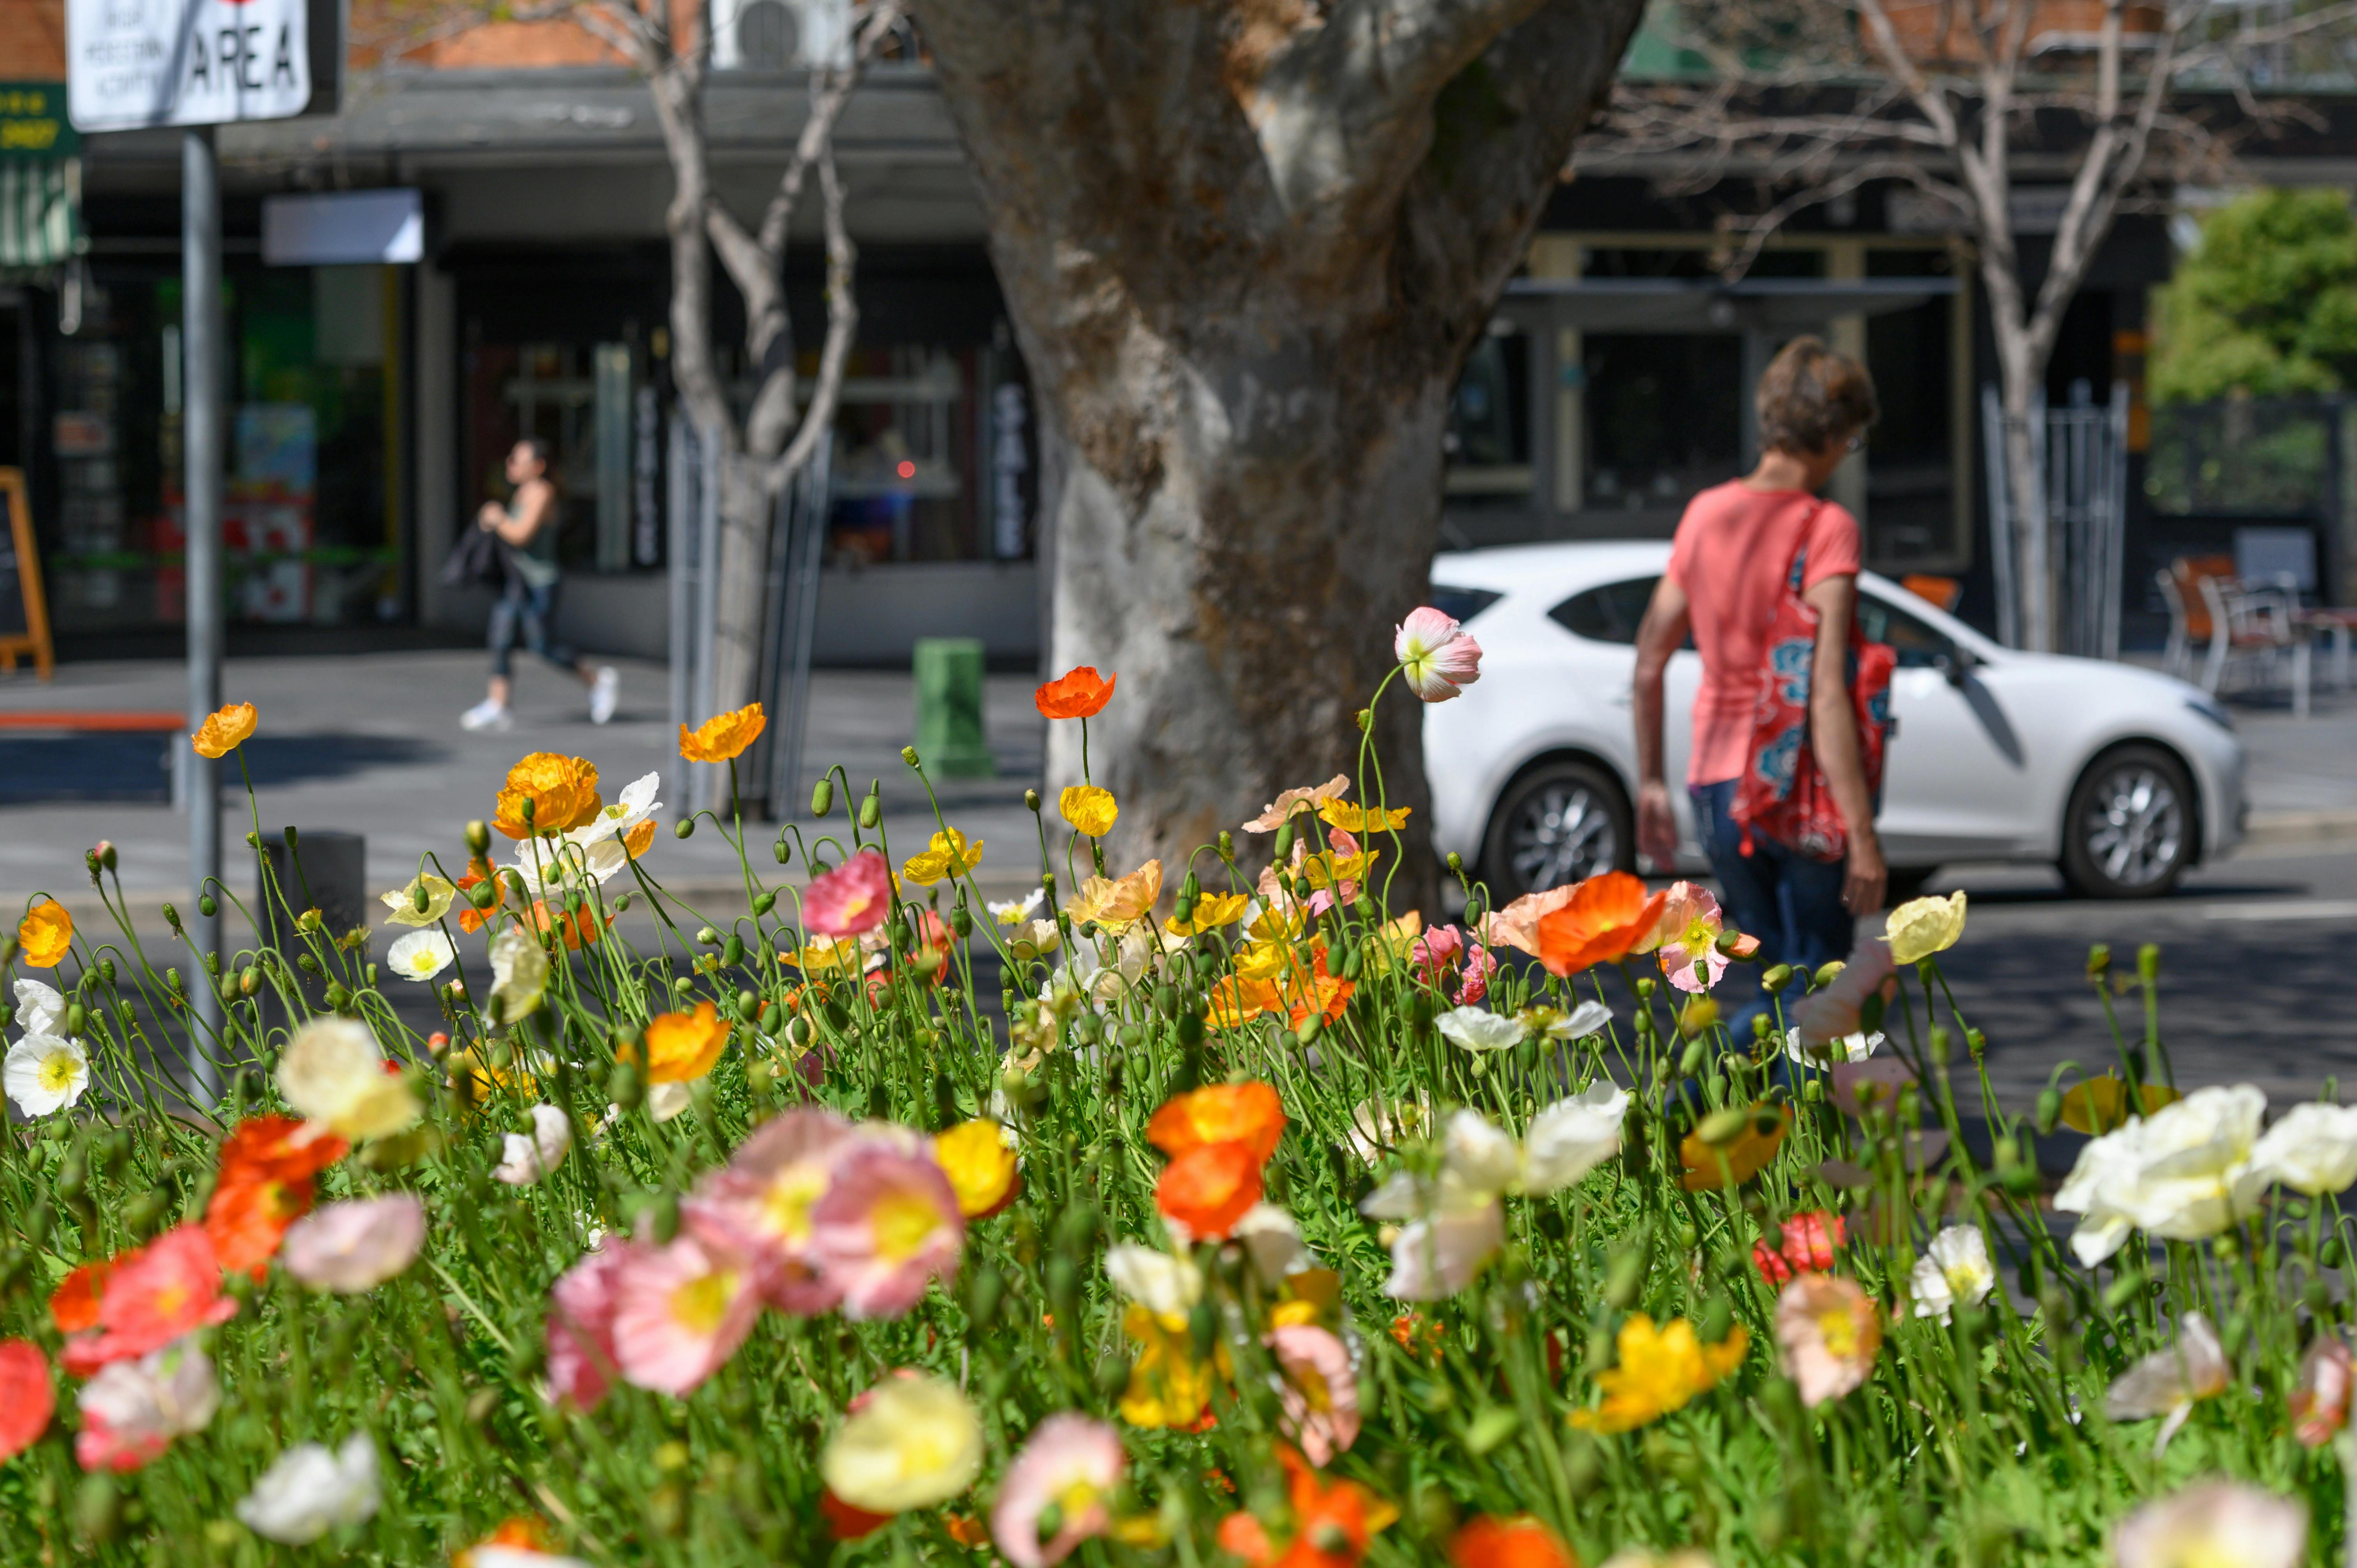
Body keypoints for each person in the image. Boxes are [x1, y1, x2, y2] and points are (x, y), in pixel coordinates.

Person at [1631, 337, 1885, 1033]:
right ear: (1832, 433)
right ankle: (1696, 1113)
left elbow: (1649, 657)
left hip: (1716, 785)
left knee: (1770, 968)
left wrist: (1650, 780)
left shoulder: (1704, 514)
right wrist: (1861, 833)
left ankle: (1742, 1128)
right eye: (1851, 441)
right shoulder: (1826, 527)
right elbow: (1824, 688)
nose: (1844, 456)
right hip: (1795, 786)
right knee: (1817, 981)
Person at [461, 438, 619, 731]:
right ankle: (499, 705)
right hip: (517, 583)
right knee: (501, 640)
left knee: (543, 646)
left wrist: (497, 519)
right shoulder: (522, 492)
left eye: (517, 460)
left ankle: (598, 682)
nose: (511, 464)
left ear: (538, 466)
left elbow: (521, 535)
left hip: (540, 583)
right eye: (511, 458)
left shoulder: (543, 492)